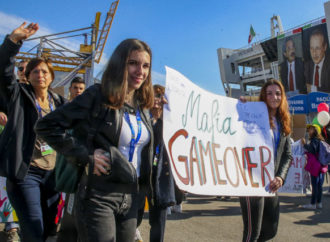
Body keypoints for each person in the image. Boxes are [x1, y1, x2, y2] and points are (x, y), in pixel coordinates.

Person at [35, 38, 154, 241]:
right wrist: (86, 156)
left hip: (132, 198)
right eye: (133, 63)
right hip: (99, 195)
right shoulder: (97, 95)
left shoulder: (142, 107)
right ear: (119, 65)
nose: (140, 71)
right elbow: (46, 125)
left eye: (145, 66)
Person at [0, 22, 66, 242]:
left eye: (44, 71)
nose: (40, 74)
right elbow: (4, 70)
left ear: (51, 76)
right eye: (35, 71)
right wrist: (13, 41)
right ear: (27, 76)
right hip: (26, 172)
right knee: (34, 229)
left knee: (49, 230)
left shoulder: (59, 102)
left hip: (53, 175)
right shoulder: (19, 95)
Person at [239, 79, 292, 242]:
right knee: (252, 234)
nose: (274, 97)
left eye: (278, 93)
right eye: (269, 93)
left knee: (270, 231)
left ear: (282, 97)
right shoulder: (252, 117)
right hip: (252, 183)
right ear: (263, 96)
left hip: (272, 183)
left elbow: (287, 155)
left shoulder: (283, 122)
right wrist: (240, 107)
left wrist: (281, 177)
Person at [136, 84, 176, 242]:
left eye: (160, 96)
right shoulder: (141, 118)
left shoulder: (170, 123)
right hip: (141, 175)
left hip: (160, 178)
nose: (157, 100)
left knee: (158, 223)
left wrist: (169, 114)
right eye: (154, 96)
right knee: (133, 219)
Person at [301, 124, 325, 209]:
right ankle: (319, 202)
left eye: (310, 129)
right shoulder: (320, 140)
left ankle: (313, 204)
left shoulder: (314, 140)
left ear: (315, 131)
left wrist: (304, 145)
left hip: (315, 165)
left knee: (314, 185)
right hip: (321, 165)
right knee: (319, 185)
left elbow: (312, 150)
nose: (309, 131)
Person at [304, 28, 330, 93]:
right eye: (311, 48)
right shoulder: (306, 66)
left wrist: (312, 88)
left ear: (325, 47)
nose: (314, 53)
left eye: (317, 48)